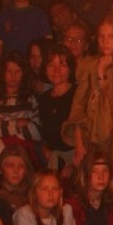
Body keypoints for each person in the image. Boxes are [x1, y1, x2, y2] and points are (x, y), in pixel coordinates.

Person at [62, 17, 113, 166]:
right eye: (102, 36)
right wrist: (79, 142)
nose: (105, 41)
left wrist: (102, 73)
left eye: (111, 36)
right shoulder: (89, 65)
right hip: (91, 135)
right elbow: (78, 107)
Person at [0, 51, 42, 159]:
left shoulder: (31, 99)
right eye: (9, 71)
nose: (13, 76)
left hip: (25, 152)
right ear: (2, 73)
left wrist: (3, 123)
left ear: (24, 73)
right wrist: (18, 123)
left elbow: (36, 131)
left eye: (17, 71)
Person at [38, 45, 77, 173]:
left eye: (62, 65)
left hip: (76, 161)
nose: (56, 70)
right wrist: (45, 149)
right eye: (51, 65)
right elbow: (44, 135)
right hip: (53, 163)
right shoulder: (44, 99)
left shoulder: (77, 94)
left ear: (70, 68)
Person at [0, 144, 34, 214]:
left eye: (21, 166)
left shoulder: (33, 196)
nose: (16, 171)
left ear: (26, 170)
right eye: (10, 165)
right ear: (0, 169)